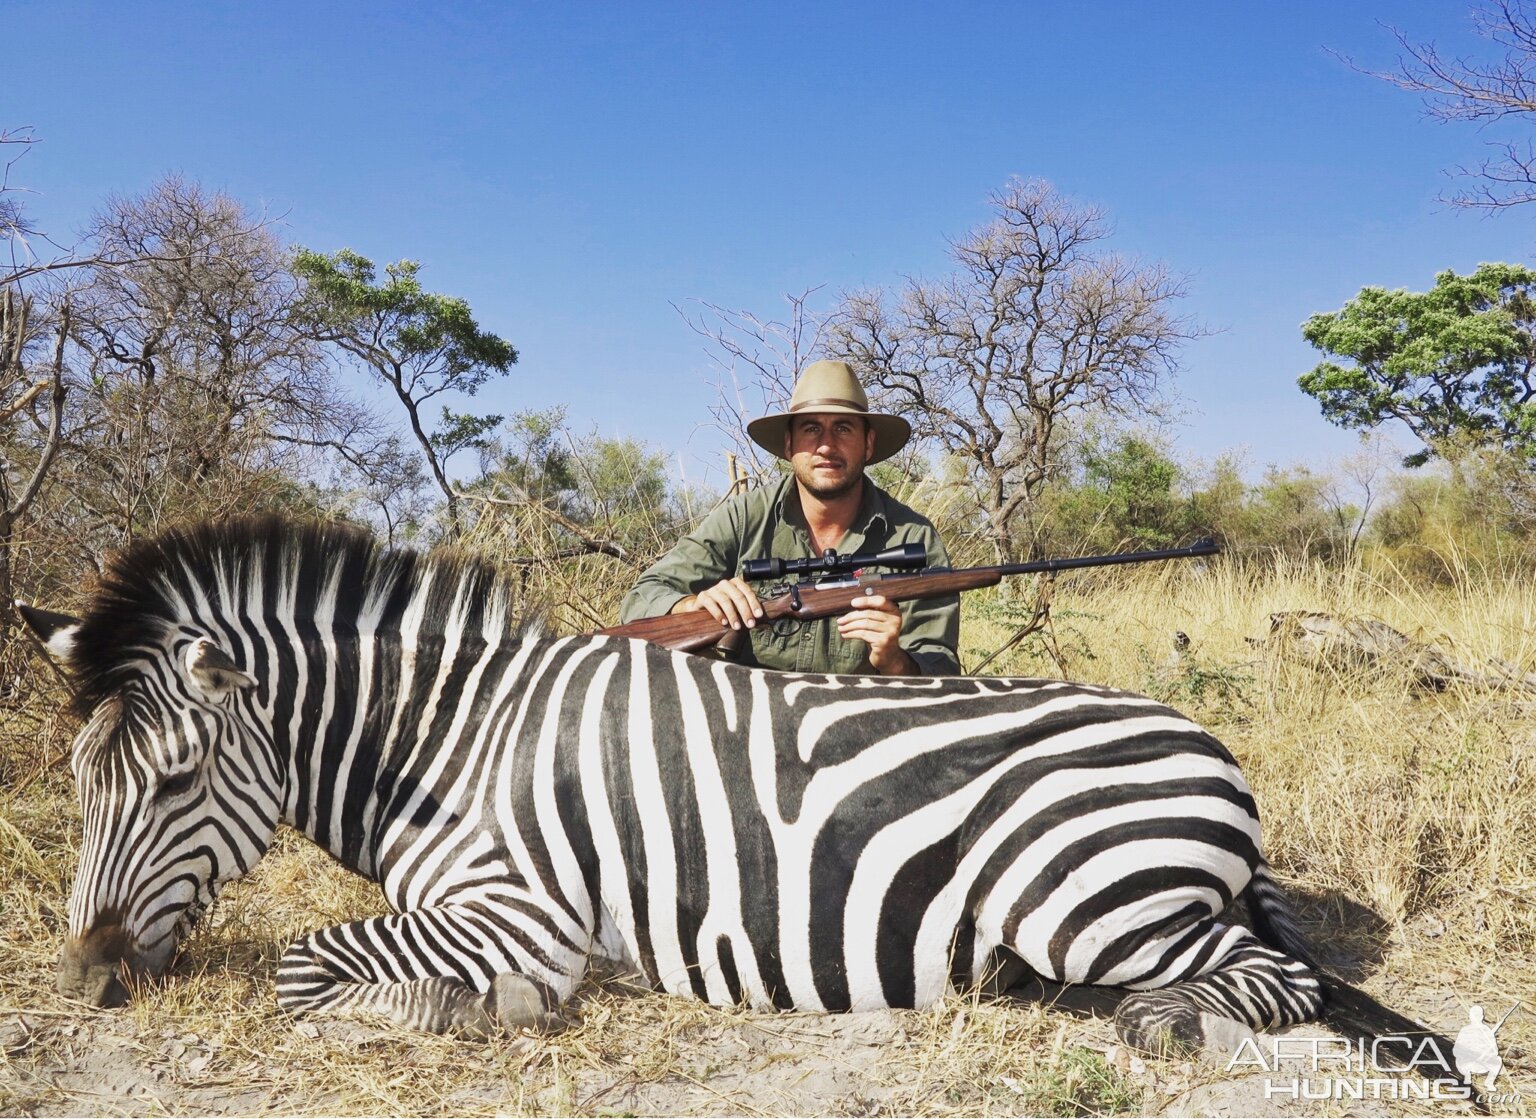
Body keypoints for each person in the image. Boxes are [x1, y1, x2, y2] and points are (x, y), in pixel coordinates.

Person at [619, 360, 960, 676]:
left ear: (868, 444)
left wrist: (895, 660)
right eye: (812, 429)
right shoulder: (744, 517)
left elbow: (942, 669)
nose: (826, 446)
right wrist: (694, 603)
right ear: (788, 445)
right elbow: (641, 598)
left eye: (843, 428)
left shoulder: (914, 539)